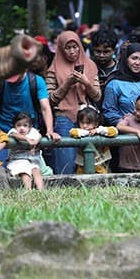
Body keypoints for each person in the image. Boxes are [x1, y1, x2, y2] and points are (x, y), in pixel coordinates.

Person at [44, 29, 101, 174]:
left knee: (91, 162)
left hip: (88, 118)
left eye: (75, 47)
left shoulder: (90, 66)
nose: (72, 51)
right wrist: (67, 83)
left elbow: (97, 97)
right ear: (61, 49)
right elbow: (50, 100)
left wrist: (86, 83)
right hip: (64, 118)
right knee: (66, 163)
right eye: (67, 47)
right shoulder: (54, 68)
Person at [0, 65, 59, 144]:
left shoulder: (36, 81)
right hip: (3, 133)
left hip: (29, 132)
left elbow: (45, 108)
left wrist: (50, 130)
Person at [101, 43, 140, 127]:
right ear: (126, 59)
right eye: (134, 58)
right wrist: (126, 123)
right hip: (128, 134)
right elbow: (109, 111)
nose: (137, 63)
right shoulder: (114, 84)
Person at [70, 106, 118, 174]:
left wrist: (98, 130)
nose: (85, 126)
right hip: (82, 165)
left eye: (88, 123)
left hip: (100, 163)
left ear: (96, 123)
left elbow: (114, 131)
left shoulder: (100, 130)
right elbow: (72, 132)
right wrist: (87, 133)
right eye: (82, 122)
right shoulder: (79, 131)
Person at [7, 112, 45, 190]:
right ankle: (28, 191)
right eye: (19, 125)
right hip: (18, 160)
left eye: (25, 125)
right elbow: (14, 135)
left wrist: (35, 142)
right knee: (25, 173)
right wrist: (27, 139)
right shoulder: (13, 132)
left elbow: (39, 136)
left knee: (36, 171)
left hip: (32, 161)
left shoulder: (33, 132)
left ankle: (41, 191)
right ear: (14, 126)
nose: (22, 128)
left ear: (30, 127)